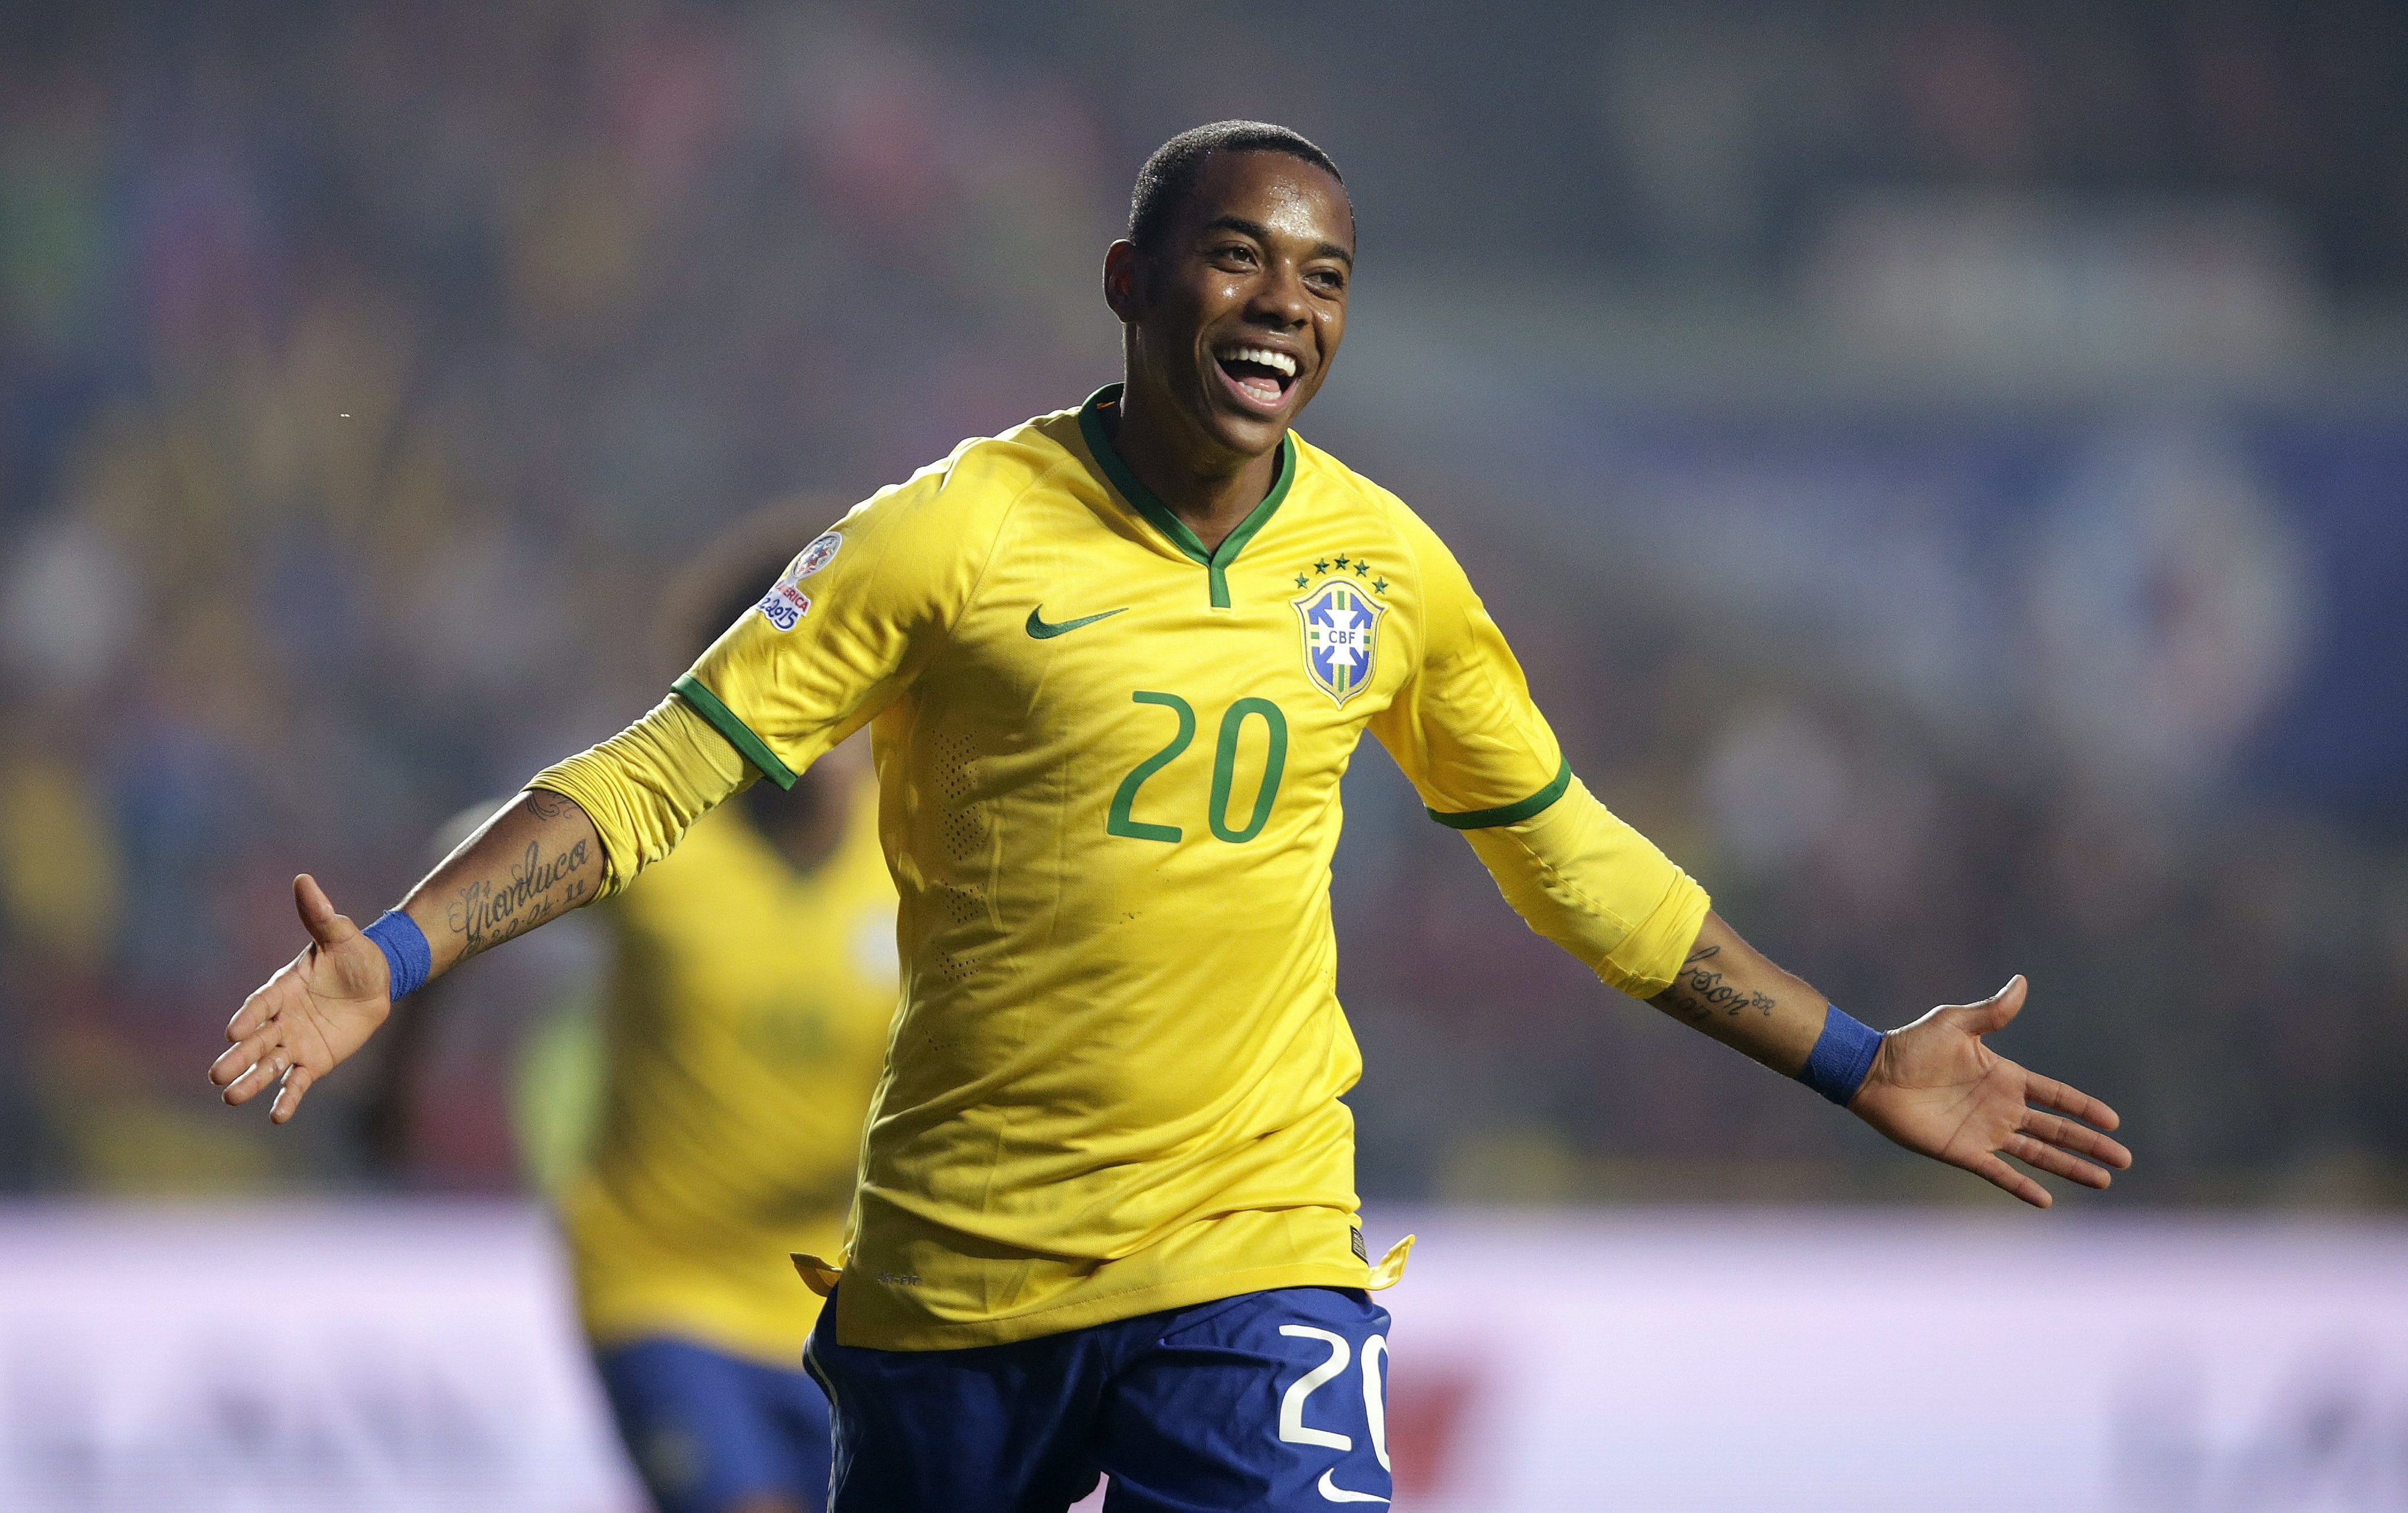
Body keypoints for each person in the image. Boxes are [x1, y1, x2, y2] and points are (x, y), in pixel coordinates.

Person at [212, 120, 2132, 1512]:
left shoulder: (1386, 571)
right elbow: (664, 771)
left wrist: (1854, 1054)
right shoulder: (949, 537)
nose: (1283, 303)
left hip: (1250, 1245)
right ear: (1133, 283)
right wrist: (398, 952)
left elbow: (1568, 859)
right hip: (954, 1276)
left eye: (1324, 275)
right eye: (1237, 256)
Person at [364, 511, 897, 1513]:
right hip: (661, 1284)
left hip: (845, 1298)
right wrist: (396, 1081)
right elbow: (463, 874)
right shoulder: (664, 834)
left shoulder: (915, 846)